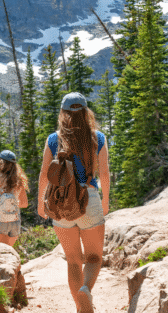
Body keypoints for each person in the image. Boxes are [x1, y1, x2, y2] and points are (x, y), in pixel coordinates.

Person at [38, 92, 111, 313]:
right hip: (89, 199)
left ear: (63, 113)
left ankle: (80, 307)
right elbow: (105, 174)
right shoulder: (97, 138)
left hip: (60, 204)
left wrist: (41, 204)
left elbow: (44, 174)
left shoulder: (54, 139)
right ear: (86, 112)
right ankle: (86, 291)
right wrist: (105, 202)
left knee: (72, 260)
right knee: (94, 258)